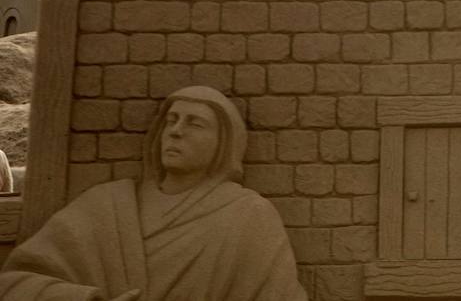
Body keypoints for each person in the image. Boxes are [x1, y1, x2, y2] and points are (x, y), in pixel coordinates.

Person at [0, 86, 307, 300]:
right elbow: (14, 283)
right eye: (171, 120)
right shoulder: (107, 206)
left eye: (195, 123)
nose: (175, 131)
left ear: (223, 143)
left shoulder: (248, 216)